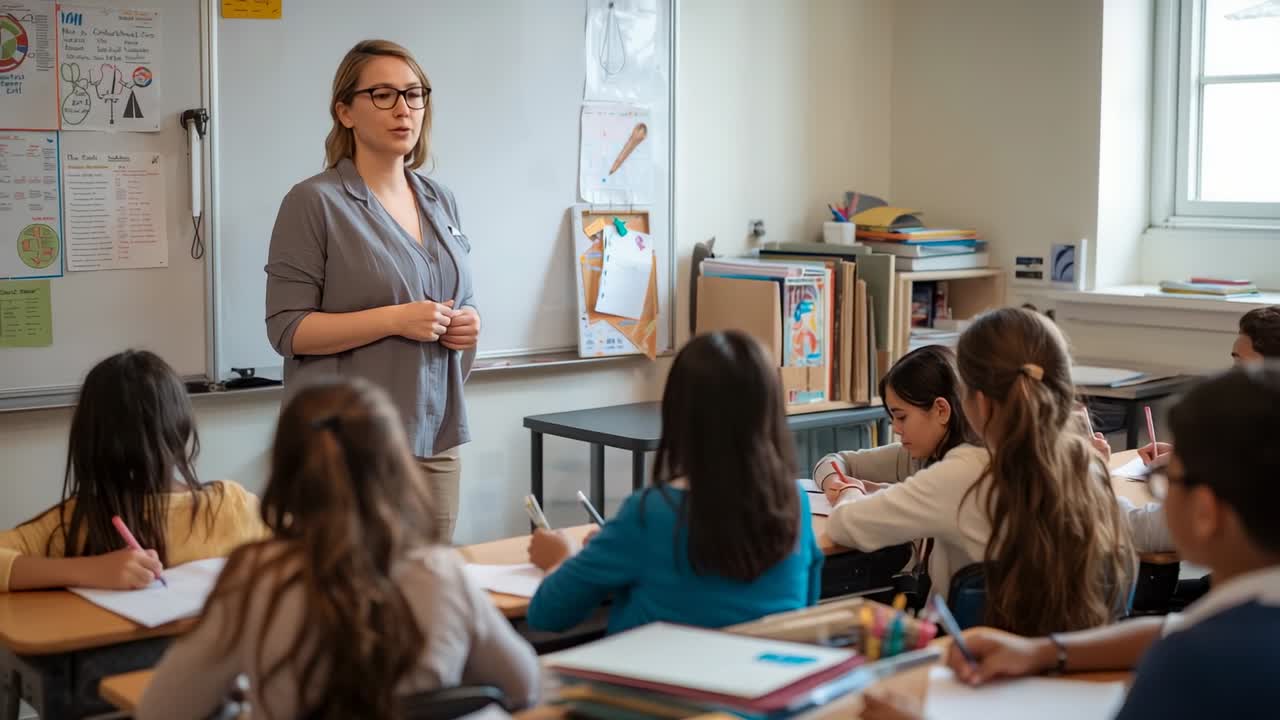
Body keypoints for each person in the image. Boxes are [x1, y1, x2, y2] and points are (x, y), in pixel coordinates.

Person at [862, 365, 1280, 720]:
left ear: (1206, 511)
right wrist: (1042, 652)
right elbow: (1171, 629)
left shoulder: (1195, 667)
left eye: (1165, 479)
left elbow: (1182, 643)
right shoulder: (1230, 625)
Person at [137, 378, 538, 720]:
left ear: (286, 469)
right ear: (396, 467)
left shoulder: (256, 577)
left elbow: (161, 710)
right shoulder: (439, 573)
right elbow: (524, 686)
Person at [265, 39, 478, 541]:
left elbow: (453, 296)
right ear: (345, 111)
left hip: (436, 438)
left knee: (427, 598)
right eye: (383, 95)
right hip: (345, 449)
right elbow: (288, 329)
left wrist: (470, 321)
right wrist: (394, 318)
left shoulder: (439, 199)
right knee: (349, 605)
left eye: (414, 94)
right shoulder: (313, 202)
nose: (404, 108)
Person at [524, 331, 824, 634]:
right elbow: (807, 605)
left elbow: (546, 615)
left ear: (678, 413)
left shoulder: (651, 513)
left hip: (659, 679)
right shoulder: (795, 503)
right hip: (770, 677)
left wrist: (563, 557)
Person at [0, 350, 264, 592]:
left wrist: (85, 570)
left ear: (88, 440)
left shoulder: (75, 521)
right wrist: (94, 569)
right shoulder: (230, 506)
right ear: (181, 429)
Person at [815, 345, 987, 601]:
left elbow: (843, 525)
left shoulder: (955, 474)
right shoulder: (930, 455)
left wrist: (850, 490)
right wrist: (836, 481)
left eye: (902, 417)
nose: (895, 428)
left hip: (948, 625)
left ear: (941, 410)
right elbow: (831, 462)